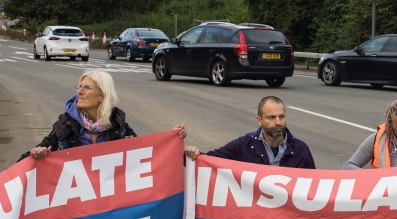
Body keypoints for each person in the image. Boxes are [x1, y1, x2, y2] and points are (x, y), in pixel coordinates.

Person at [27, 70, 184, 158]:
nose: (79, 92)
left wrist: (170, 140)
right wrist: (36, 152)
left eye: (87, 88)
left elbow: (143, 153)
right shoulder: (66, 123)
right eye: (79, 87)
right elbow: (40, 150)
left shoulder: (118, 125)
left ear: (102, 95)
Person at [186, 95, 316, 168]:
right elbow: (208, 161)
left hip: (286, 216)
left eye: (281, 116)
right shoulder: (243, 146)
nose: (278, 122)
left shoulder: (301, 149)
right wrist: (190, 154)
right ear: (259, 120)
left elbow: (314, 187)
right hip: (254, 215)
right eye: (271, 117)